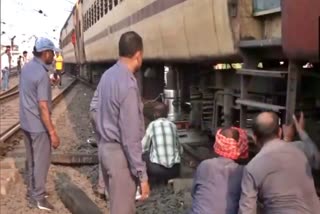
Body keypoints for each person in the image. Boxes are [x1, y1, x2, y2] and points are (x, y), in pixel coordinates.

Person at [96, 31, 150, 214]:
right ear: (138, 54)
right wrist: (142, 176)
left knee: (117, 207)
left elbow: (95, 111)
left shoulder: (107, 76)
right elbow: (130, 137)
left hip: (105, 150)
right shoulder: (128, 84)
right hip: (120, 156)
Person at [238, 111, 320, 214]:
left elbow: (247, 210)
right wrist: (301, 131)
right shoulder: (301, 148)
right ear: (280, 132)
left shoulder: (252, 167)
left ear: (254, 138)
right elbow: (317, 161)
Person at [19, 37, 61, 211]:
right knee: (41, 162)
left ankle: (32, 191)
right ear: (45, 53)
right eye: (52, 52)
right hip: (38, 126)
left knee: (31, 161)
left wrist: (48, 84)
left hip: (25, 123)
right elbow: (43, 106)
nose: (54, 56)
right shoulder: (42, 74)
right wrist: (52, 132)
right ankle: (39, 198)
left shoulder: (28, 68)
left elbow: (30, 90)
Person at [190, 127, 248, 214]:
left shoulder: (204, 165)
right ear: (239, 146)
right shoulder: (242, 172)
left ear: (218, 144)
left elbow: (193, 193)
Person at [141, 103, 182, 183]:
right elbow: (180, 150)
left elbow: (143, 147)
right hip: (174, 170)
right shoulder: (173, 125)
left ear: (155, 114)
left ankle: (152, 182)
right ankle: (169, 180)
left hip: (157, 170)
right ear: (167, 114)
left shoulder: (152, 125)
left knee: (145, 155)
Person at [88, 88, 107, 199]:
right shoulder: (122, 78)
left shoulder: (110, 76)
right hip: (101, 114)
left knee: (103, 149)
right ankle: (104, 189)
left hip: (95, 112)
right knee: (109, 150)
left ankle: (101, 188)